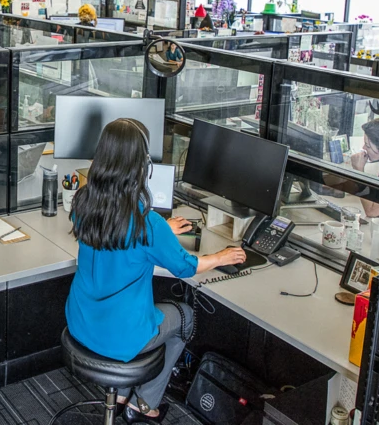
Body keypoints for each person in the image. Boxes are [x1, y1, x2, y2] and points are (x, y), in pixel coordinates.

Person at [66, 119, 246, 422]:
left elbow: (119, 235)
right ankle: (143, 404)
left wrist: (164, 230)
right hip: (119, 336)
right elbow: (186, 267)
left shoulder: (84, 202)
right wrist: (220, 255)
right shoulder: (147, 223)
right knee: (186, 316)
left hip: (80, 321)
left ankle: (120, 394)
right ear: (141, 165)